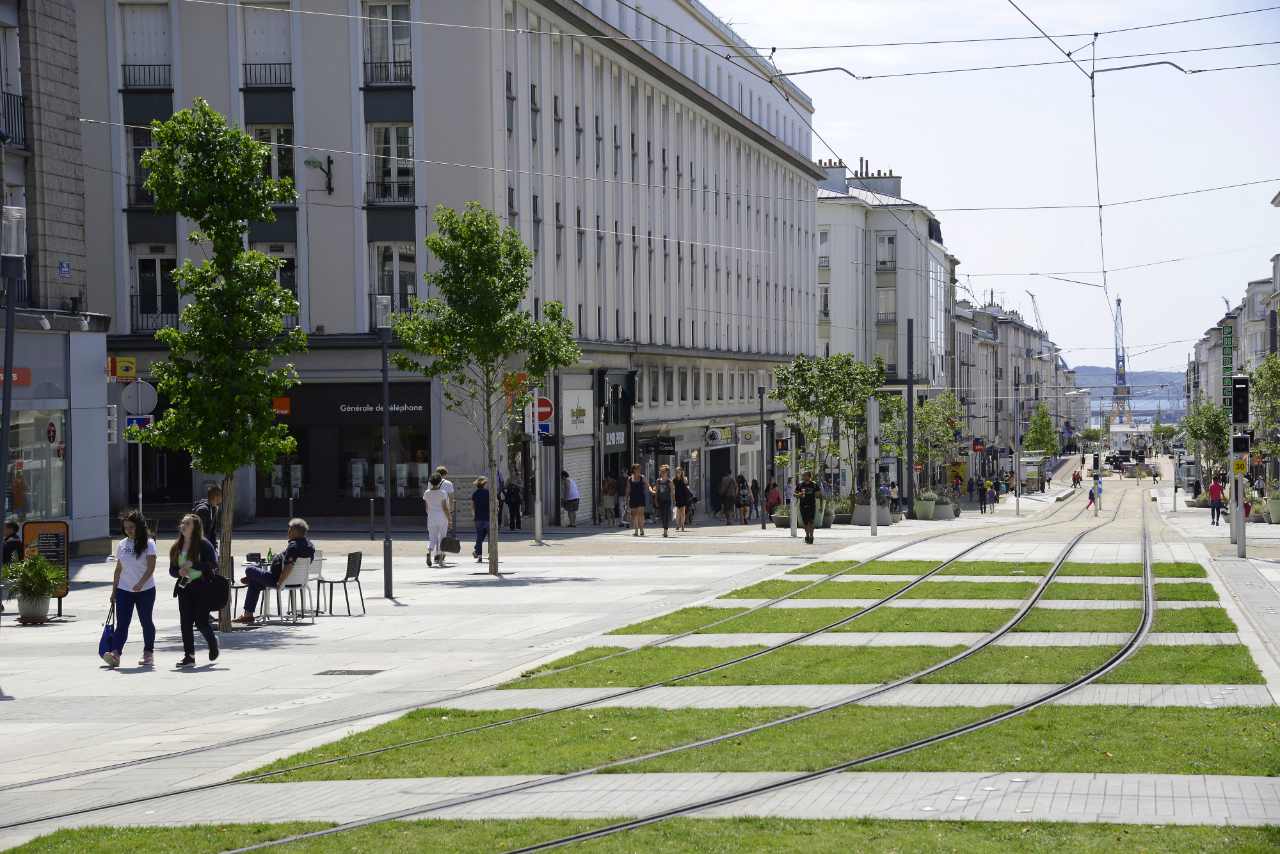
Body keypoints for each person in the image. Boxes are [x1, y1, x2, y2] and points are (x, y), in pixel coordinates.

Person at [103, 509, 158, 668]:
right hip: (124, 590)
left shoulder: (149, 543)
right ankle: (115, 654)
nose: (128, 530)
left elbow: (151, 568)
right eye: (126, 527)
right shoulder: (122, 544)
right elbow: (118, 570)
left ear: (139, 526)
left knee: (146, 621)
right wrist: (114, 591)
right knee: (122, 624)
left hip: (145, 590)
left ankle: (148, 653)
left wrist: (141, 583)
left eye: (132, 527)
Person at [234, 518, 315, 625]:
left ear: (294, 531)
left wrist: (280, 582)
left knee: (250, 569)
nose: (288, 532)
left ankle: (251, 580)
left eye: (289, 529)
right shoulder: (309, 545)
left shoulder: (294, 546)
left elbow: (289, 566)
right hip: (299, 580)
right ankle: (248, 616)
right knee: (254, 583)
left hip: (278, 580)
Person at [169, 513, 219, 667]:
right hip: (184, 588)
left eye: (187, 523)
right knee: (185, 623)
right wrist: (179, 572)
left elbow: (213, 564)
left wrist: (193, 564)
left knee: (201, 622)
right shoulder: (177, 546)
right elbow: (172, 570)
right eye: (182, 523)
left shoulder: (203, 544)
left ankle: (212, 642)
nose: (183, 525)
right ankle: (189, 656)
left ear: (195, 527)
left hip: (202, 587)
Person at [422, 475, 453, 566]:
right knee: (442, 538)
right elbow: (445, 508)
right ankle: (440, 560)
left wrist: (430, 514)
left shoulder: (427, 493)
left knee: (432, 537)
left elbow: (426, 507)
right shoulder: (442, 493)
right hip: (442, 517)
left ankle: (429, 551)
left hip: (431, 517)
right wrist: (450, 519)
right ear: (439, 482)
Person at [193, 485, 223, 560]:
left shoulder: (214, 508)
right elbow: (200, 533)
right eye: (222, 496)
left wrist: (214, 547)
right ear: (216, 497)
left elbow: (213, 531)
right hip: (199, 548)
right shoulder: (203, 510)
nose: (223, 498)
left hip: (207, 546)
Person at [795, 471, 821, 545]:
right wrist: (799, 494)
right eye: (803, 475)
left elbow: (819, 494)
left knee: (811, 522)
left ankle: (811, 536)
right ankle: (807, 535)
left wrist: (820, 505)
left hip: (811, 505)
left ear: (809, 476)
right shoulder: (800, 484)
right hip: (803, 505)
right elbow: (795, 493)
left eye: (805, 475)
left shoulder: (814, 485)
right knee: (805, 522)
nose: (803, 477)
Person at [651, 464, 675, 537]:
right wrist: (655, 500)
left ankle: (665, 531)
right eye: (661, 471)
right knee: (662, 515)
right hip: (660, 500)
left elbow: (672, 492)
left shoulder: (669, 481)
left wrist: (674, 501)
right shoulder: (658, 481)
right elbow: (657, 491)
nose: (662, 473)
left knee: (666, 515)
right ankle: (664, 528)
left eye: (663, 471)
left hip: (667, 500)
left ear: (667, 472)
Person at [472, 477, 490, 563]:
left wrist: (474, 516)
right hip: (488, 517)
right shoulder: (488, 493)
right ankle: (491, 554)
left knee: (479, 536)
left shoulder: (475, 494)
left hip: (478, 518)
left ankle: (479, 555)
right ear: (484, 484)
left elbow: (473, 507)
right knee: (490, 537)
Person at [627, 464, 649, 536]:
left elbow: (647, 485)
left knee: (641, 514)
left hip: (641, 497)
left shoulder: (642, 477)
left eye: (639, 469)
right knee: (634, 515)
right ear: (634, 470)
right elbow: (628, 489)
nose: (639, 470)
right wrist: (626, 498)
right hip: (633, 498)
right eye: (637, 469)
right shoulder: (630, 479)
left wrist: (652, 491)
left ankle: (641, 529)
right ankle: (636, 530)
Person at [674, 467, 693, 532]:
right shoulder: (674, 480)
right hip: (677, 496)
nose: (678, 473)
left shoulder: (684, 479)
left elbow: (686, 484)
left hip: (683, 496)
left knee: (683, 512)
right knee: (678, 511)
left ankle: (682, 525)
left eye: (679, 472)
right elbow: (673, 489)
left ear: (681, 472)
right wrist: (673, 497)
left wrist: (683, 477)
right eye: (677, 472)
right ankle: (677, 524)